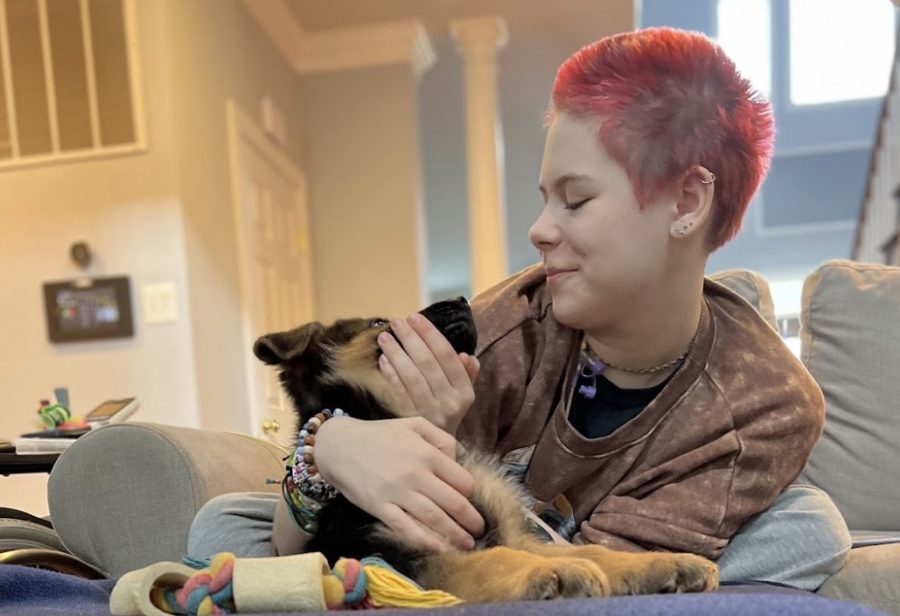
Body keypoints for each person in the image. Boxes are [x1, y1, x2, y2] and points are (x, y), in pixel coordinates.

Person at [189, 27, 850, 591]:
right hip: (457, 543)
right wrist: (329, 447)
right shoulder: (500, 332)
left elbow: (623, 564)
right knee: (221, 522)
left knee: (810, 526)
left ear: (686, 203)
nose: (538, 230)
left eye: (576, 199)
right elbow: (324, 531)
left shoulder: (767, 403)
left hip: (575, 548)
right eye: (544, 198)